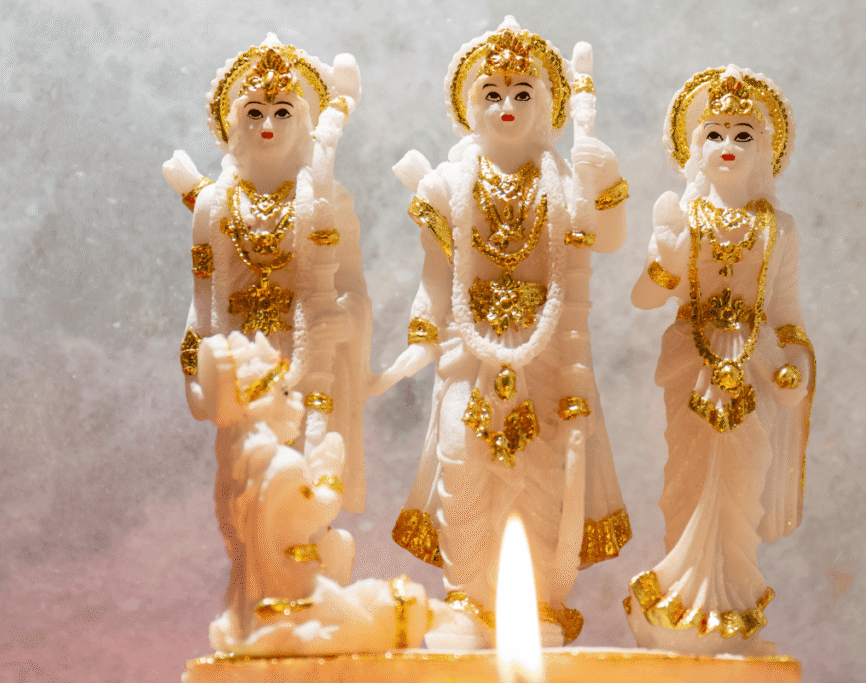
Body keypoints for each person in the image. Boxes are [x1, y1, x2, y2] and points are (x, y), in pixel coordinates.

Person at [164, 36, 430, 656]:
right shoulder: (214, 204)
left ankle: (305, 597)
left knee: (308, 487)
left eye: (283, 111)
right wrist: (199, 369)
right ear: (232, 123)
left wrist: (345, 324)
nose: (268, 124)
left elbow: (354, 290)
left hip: (313, 364)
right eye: (255, 111)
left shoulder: (327, 200)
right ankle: (252, 606)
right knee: (244, 490)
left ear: (307, 122)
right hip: (242, 365)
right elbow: (203, 303)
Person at [380, 16, 632, 648]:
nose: (507, 106)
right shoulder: (447, 184)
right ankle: (467, 600)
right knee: (464, 464)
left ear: (547, 104)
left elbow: (607, 237)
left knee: (545, 468)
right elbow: (435, 277)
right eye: (491, 94)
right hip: (468, 351)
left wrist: (606, 180)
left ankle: (541, 601)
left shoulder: (565, 180)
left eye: (523, 93)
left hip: (549, 354)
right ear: (470, 107)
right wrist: (420, 339)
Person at [626, 65, 815, 656]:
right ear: (694, 148)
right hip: (693, 364)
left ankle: (730, 604)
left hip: (754, 369)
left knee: (741, 485)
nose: (727, 145)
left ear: (764, 149)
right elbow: (644, 298)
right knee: (688, 479)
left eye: (743, 134)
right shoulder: (680, 216)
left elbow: (786, 313)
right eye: (714, 133)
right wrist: (666, 262)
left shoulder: (779, 229)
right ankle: (681, 600)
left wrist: (797, 362)